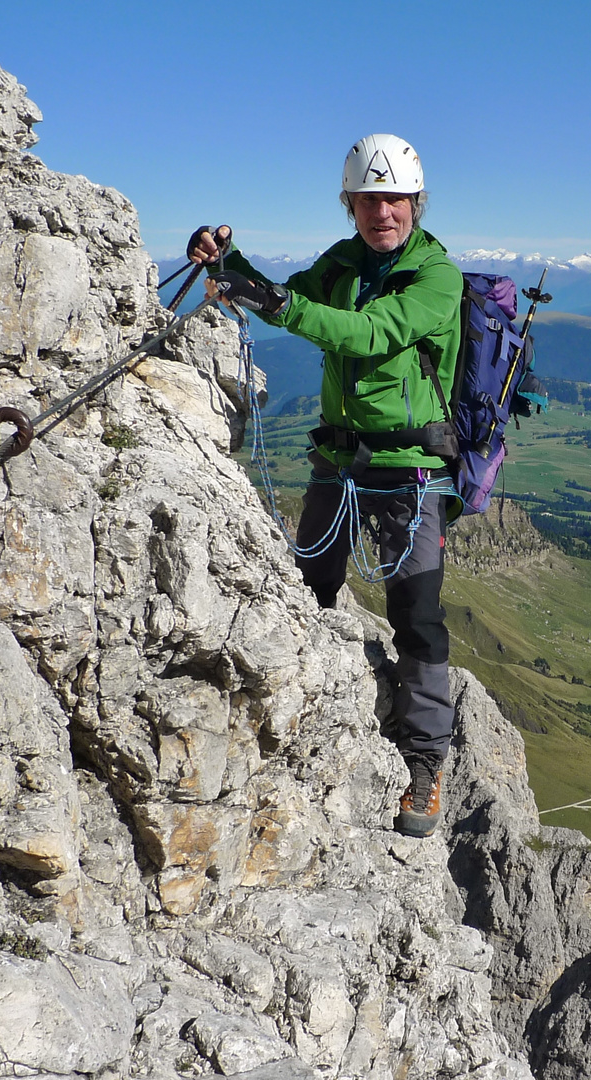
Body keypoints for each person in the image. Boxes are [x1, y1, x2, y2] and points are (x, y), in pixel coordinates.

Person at [192, 134, 463, 839]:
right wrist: (228, 263)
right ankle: (288, 708)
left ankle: (425, 766)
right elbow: (286, 297)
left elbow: (366, 335)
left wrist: (278, 303)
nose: (383, 212)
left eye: (395, 199)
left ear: (416, 203)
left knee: (417, 616)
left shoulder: (437, 278)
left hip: (411, 469)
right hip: (339, 460)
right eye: (370, 199)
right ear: (351, 204)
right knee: (307, 584)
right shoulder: (343, 262)